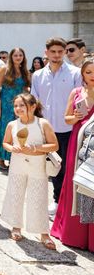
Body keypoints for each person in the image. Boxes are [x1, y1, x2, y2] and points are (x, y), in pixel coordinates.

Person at [1, 93, 58, 249]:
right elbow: (5, 142)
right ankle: (16, 226)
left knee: (38, 197)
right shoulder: (12, 124)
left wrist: (35, 148)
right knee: (15, 193)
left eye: (22, 105)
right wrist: (12, 147)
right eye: (16, 105)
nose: (18, 108)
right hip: (17, 164)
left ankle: (43, 233)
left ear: (33, 107)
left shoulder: (42, 123)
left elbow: (54, 145)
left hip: (37, 165)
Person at [32, 37, 82, 214]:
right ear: (46, 52)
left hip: (68, 128)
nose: (56, 55)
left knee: (65, 167)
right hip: (46, 129)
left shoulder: (75, 73)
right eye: (53, 51)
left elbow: (79, 100)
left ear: (65, 52)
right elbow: (34, 102)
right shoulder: (37, 75)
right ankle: (51, 199)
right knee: (47, 166)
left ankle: (62, 200)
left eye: (60, 51)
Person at [51, 59, 94, 250]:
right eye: (89, 72)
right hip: (77, 143)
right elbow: (66, 119)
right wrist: (75, 117)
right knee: (74, 183)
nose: (92, 76)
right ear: (82, 75)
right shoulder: (76, 92)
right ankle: (73, 234)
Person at [0, 48, 31, 169]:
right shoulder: (4, 69)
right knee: (5, 130)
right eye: (16, 55)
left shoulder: (25, 71)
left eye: (20, 55)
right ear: (11, 57)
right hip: (5, 104)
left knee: (18, 130)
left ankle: (12, 158)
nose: (18, 57)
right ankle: (2, 159)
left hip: (20, 105)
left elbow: (26, 88)